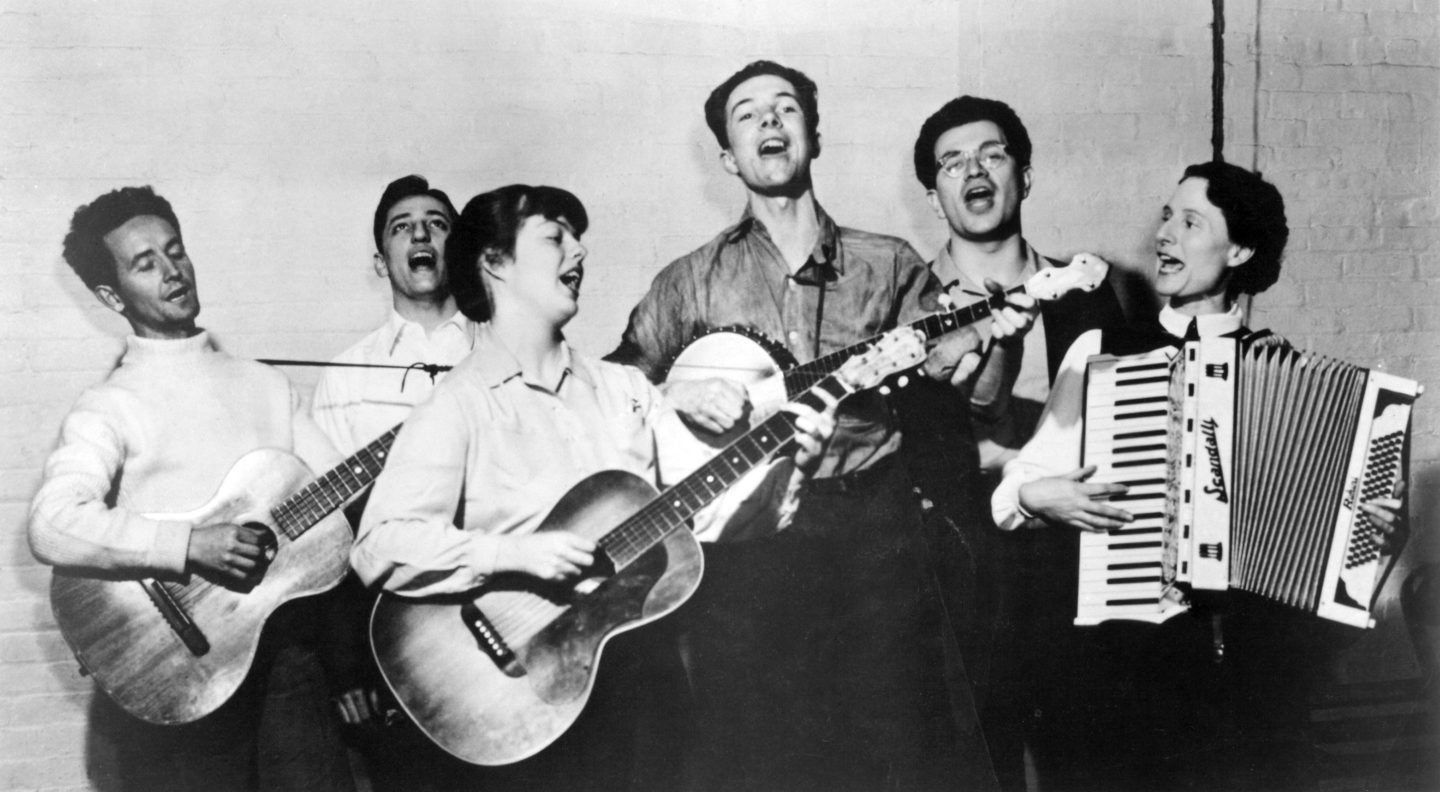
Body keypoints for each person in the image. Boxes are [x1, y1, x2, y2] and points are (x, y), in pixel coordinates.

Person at [350, 184, 839, 792]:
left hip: (646, 692)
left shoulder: (625, 390)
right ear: (494, 263)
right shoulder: (456, 406)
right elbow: (380, 546)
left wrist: (786, 462)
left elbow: (701, 523)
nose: (578, 252)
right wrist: (513, 553)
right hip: (528, 704)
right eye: (554, 238)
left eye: (577, 238)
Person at [608, 61, 1007, 791]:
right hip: (751, 544)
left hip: (874, 529)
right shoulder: (688, 280)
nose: (769, 122)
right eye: (748, 114)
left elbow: (969, 390)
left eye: (785, 108)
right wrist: (674, 394)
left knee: (898, 740)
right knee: (764, 746)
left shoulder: (887, 264)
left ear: (812, 135)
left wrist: (994, 336)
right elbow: (616, 385)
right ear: (727, 157)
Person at [991, 161, 1409, 790]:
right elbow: (1008, 494)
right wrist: (1034, 494)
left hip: (1253, 690)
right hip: (1125, 679)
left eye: (1191, 222)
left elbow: (1346, 581)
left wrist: (1382, 536)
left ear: (1239, 249)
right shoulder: (1102, 352)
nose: (1165, 235)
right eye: (1167, 216)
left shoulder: (1298, 383)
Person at [28, 186, 353, 792]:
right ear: (110, 294)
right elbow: (52, 522)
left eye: (175, 251)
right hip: (186, 673)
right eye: (144, 262)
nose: (171, 270)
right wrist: (190, 543)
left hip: (288, 660)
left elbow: (345, 493)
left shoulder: (264, 384)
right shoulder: (110, 405)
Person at [902, 95, 1127, 789]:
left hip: (1076, 568)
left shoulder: (1086, 290)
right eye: (951, 162)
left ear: (1023, 177)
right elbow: (910, 459)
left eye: (992, 154)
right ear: (935, 197)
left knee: (1088, 765)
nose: (973, 169)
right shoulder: (905, 305)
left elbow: (1123, 423)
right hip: (962, 578)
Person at [309, 175, 474, 789]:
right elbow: (328, 541)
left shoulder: (513, 347)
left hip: (513, 610)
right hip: (395, 633)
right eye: (402, 227)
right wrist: (347, 664)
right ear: (381, 261)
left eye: (436, 222)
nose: (421, 234)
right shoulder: (346, 375)